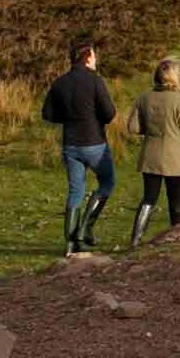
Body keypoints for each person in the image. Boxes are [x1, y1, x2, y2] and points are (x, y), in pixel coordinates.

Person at [41, 42, 118, 256]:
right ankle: (86, 227)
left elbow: (47, 114)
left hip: (70, 144)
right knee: (108, 182)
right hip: (94, 143)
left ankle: (70, 244)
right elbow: (110, 113)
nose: (96, 59)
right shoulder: (95, 81)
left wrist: (68, 117)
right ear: (87, 57)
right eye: (93, 55)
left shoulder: (59, 83)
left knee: (76, 191)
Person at [124, 55, 180, 249]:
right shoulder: (178, 99)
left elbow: (132, 127)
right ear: (174, 76)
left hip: (150, 154)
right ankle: (178, 239)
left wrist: (148, 128)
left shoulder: (144, 97)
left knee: (149, 198)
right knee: (175, 200)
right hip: (173, 156)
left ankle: (135, 239)